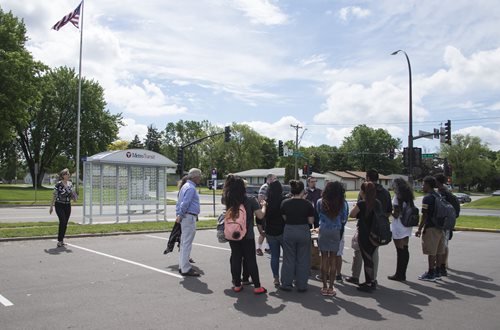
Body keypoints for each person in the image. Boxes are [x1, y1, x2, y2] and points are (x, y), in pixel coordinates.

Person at [346, 169, 391, 285]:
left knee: (359, 252)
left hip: (364, 228)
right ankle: (373, 278)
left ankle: (356, 276)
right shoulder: (384, 194)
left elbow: (353, 214)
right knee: (374, 253)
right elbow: (388, 211)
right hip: (378, 228)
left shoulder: (363, 201)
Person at [223, 175, 267, 294]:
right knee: (250, 259)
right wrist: (264, 206)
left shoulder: (228, 199)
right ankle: (257, 286)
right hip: (247, 235)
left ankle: (237, 285)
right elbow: (260, 216)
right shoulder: (251, 199)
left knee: (235, 257)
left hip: (233, 234)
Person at [280, 180, 315, 292]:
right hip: (303, 230)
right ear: (302, 191)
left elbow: (284, 217)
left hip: (289, 229)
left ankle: (286, 283)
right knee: (303, 259)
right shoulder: (308, 204)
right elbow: (311, 221)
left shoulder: (285, 203)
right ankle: (302, 285)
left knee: (288, 258)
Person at [316, 181, 349, 296]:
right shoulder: (342, 203)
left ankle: (324, 286)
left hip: (323, 230)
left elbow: (318, 214)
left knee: (324, 258)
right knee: (333, 259)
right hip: (336, 231)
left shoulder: (320, 202)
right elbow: (344, 219)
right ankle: (331, 287)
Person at [349, 182, 379, 292]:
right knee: (370, 258)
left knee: (367, 259)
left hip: (365, 234)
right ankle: (370, 281)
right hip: (375, 234)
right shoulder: (377, 203)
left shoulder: (362, 203)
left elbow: (352, 214)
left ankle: (369, 283)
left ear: (363, 192)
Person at [416, 176, 445, 282]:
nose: (422, 186)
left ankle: (430, 273)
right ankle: (438, 271)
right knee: (438, 251)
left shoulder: (427, 198)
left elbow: (424, 215)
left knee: (431, 251)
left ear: (428, 185)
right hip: (440, 227)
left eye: (423, 184)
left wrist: (419, 229)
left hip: (431, 227)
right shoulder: (438, 195)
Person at [387, 178, 415, 281]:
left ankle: (399, 274)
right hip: (407, 224)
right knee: (405, 248)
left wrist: (389, 212)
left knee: (400, 250)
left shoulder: (397, 197)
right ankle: (402, 273)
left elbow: (396, 214)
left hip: (399, 224)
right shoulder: (409, 196)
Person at [175, 168, 202, 277]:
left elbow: (179, 203)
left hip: (185, 217)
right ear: (195, 177)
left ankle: (182, 266)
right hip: (189, 217)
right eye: (199, 176)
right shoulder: (191, 188)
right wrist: (180, 214)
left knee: (183, 243)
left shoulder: (185, 186)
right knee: (186, 243)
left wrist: (179, 214)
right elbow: (185, 203)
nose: (200, 178)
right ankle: (185, 268)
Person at [435, 173, 460, 276]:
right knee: (445, 244)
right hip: (448, 222)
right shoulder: (448, 193)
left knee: (441, 245)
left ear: (437, 182)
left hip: (442, 223)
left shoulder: (441, 194)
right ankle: (444, 263)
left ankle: (442, 265)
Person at [264, 180, 285, 287]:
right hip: (282, 230)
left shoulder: (267, 202)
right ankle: (287, 277)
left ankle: (276, 278)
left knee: (274, 256)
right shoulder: (283, 200)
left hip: (270, 231)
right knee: (287, 255)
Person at [50, 168, 77, 247]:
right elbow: (54, 195)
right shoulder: (59, 184)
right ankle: (59, 240)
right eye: (67, 174)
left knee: (65, 223)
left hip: (67, 205)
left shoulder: (70, 184)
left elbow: (73, 194)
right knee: (62, 221)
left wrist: (74, 198)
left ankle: (62, 240)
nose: (68, 175)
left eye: (68, 174)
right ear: (63, 175)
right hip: (59, 205)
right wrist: (51, 207)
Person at [256, 174, 276, 256]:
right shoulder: (265, 187)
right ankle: (258, 248)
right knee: (263, 233)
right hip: (263, 212)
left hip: (268, 212)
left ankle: (267, 248)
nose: (276, 180)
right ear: (269, 179)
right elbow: (260, 200)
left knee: (268, 232)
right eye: (274, 178)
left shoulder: (271, 187)